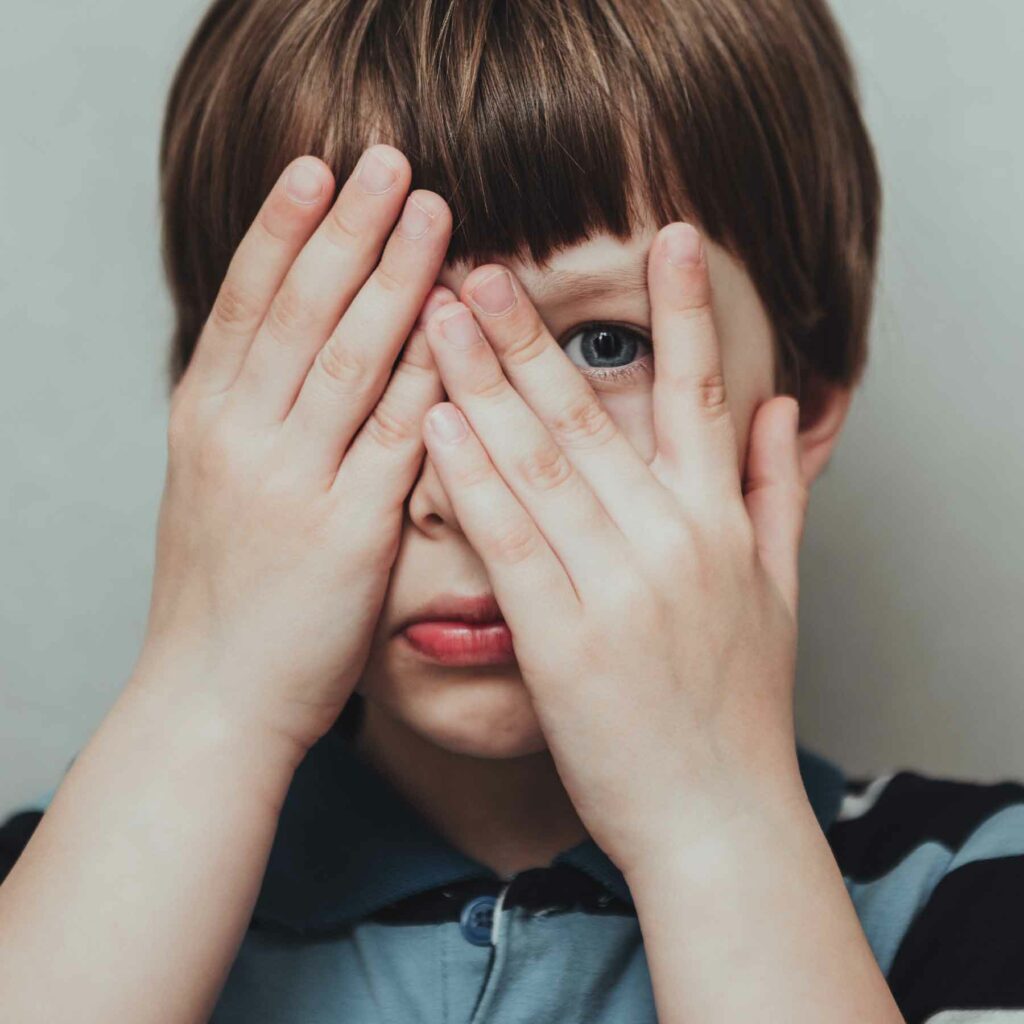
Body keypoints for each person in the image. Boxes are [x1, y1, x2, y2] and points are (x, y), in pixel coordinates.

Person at [1, 0, 1022, 1021]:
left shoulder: (968, 886)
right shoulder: (57, 897)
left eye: (607, 345)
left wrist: (710, 817)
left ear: (807, 405)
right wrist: (211, 700)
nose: (462, 491)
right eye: (361, 348)